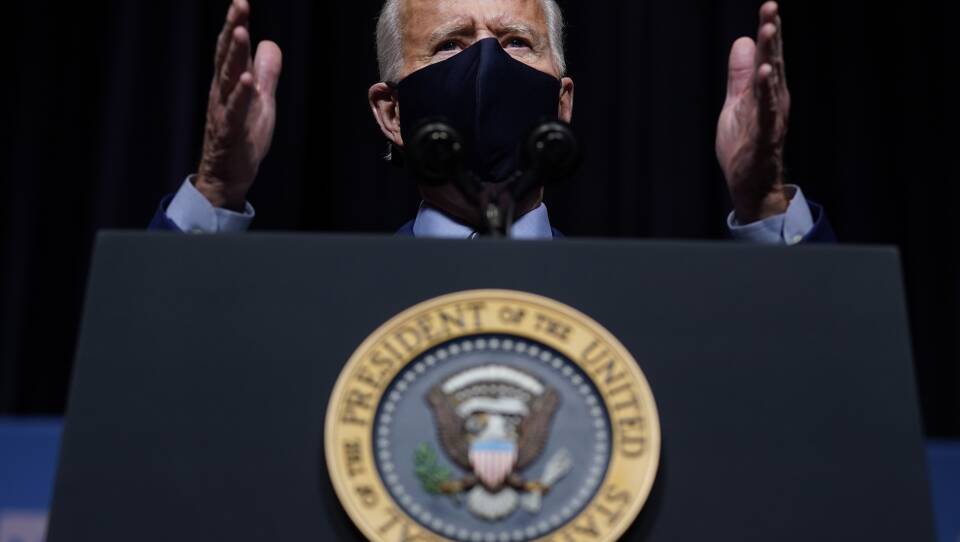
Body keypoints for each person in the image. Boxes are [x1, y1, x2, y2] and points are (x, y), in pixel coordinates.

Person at [149, 0, 834, 243]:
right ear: (391, 113)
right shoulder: (320, 301)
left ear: (562, 103)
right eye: (449, 44)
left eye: (515, 43)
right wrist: (215, 186)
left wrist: (764, 200)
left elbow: (816, 377)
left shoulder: (643, 302)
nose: (485, 65)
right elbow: (155, 362)